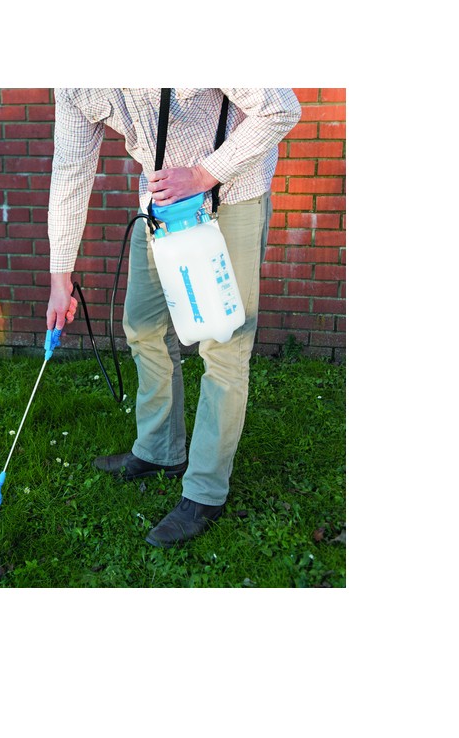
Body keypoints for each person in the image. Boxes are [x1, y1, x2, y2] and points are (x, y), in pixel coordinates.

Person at [46, 88, 301, 547]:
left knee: (224, 344)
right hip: (163, 205)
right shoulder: (73, 85)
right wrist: (60, 277)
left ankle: (205, 491)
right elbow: (71, 169)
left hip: (232, 193)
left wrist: (203, 174)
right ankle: (160, 450)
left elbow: (281, 107)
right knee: (143, 326)